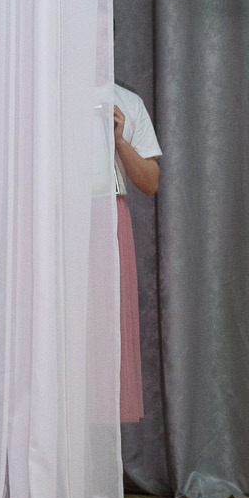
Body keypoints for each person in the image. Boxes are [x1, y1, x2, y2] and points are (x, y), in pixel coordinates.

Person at [113, 84, 161, 424]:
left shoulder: (127, 103)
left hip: (110, 214)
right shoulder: (48, 91)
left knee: (111, 330)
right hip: (57, 219)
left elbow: (150, 182)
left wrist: (118, 140)